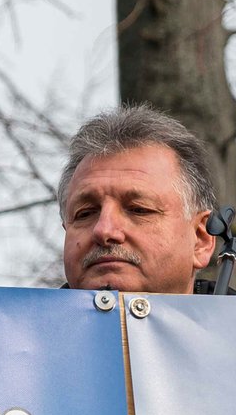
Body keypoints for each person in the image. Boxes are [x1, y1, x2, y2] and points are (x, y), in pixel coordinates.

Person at [57, 105, 219, 295]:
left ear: (200, 240)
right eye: (85, 213)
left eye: (139, 209)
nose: (103, 230)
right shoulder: (17, 323)